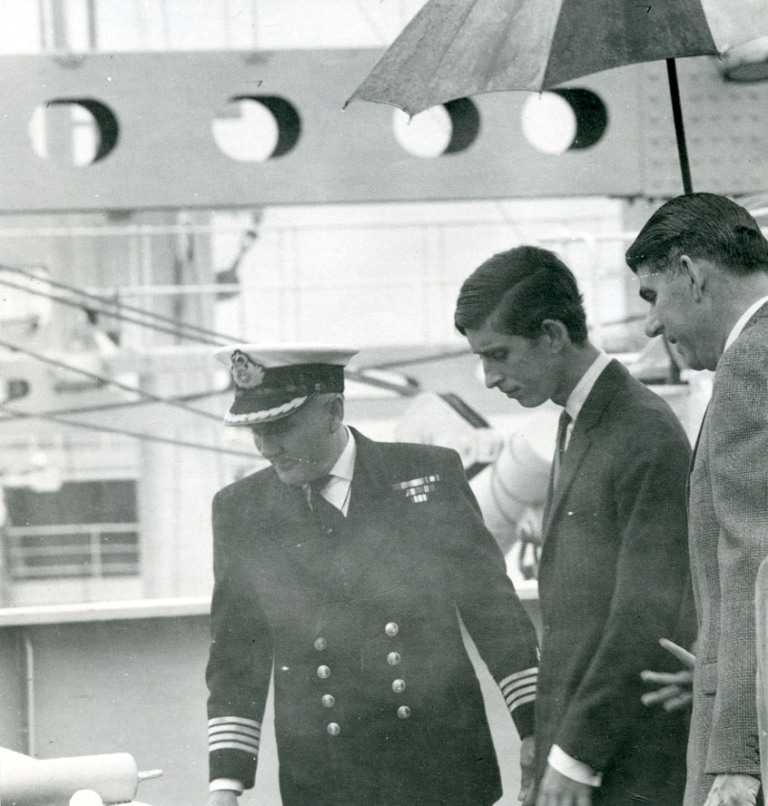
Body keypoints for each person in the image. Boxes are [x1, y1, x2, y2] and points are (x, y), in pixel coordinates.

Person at [204, 343, 541, 806]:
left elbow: (493, 609)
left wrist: (536, 728)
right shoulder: (241, 510)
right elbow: (237, 650)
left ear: (333, 410)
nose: (266, 448)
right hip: (324, 780)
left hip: (440, 771)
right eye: (255, 431)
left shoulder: (429, 475)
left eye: (279, 426)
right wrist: (226, 785)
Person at [454, 246, 695, 806]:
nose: (489, 378)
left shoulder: (643, 432)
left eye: (499, 354)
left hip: (623, 764)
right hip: (585, 753)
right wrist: (547, 734)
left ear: (553, 334)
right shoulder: (578, 423)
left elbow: (642, 615)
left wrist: (576, 754)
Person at [626, 192, 768, 806]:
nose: (653, 325)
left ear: (690, 274)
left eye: (652, 296)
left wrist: (738, 758)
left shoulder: (750, 365)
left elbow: (755, 566)